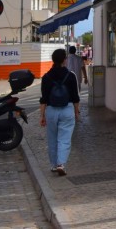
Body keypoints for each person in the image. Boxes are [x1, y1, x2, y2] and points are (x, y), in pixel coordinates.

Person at [39, 48, 80, 176]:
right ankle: (61, 164)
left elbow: (43, 98)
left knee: (52, 138)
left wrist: (42, 115)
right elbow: (75, 97)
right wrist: (76, 111)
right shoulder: (71, 76)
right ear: (64, 60)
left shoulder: (46, 77)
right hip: (67, 109)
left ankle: (53, 165)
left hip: (51, 110)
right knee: (65, 138)